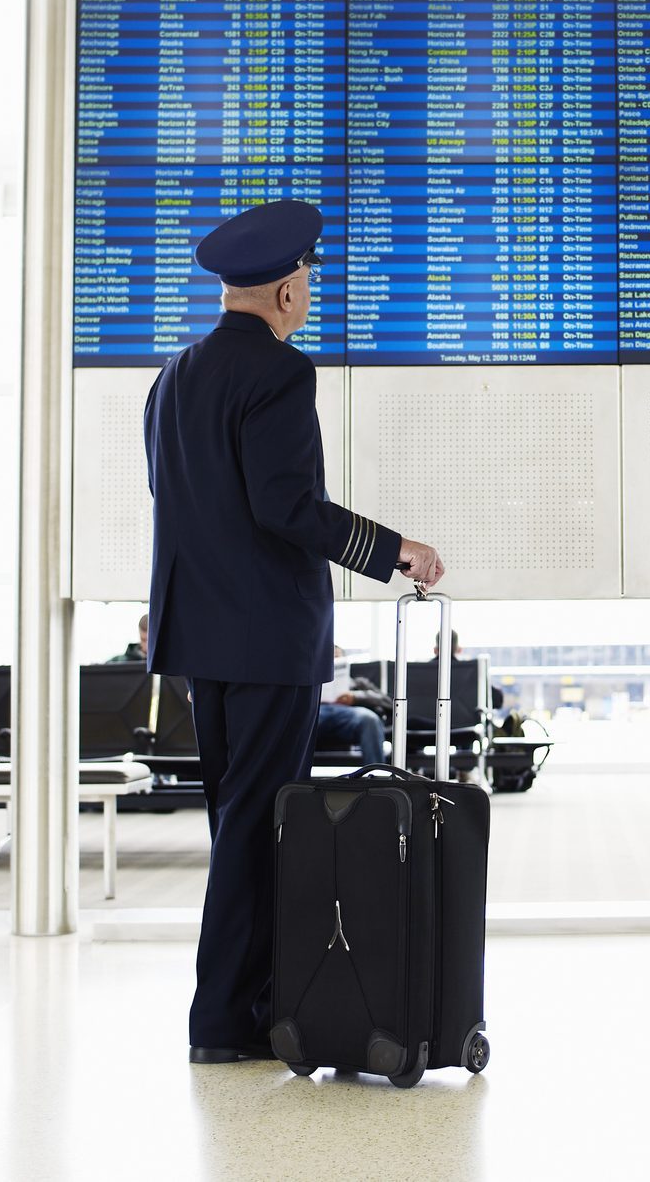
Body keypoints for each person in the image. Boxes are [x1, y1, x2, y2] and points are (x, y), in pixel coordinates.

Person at [143, 198, 445, 1065]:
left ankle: (246, 1005)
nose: (308, 291)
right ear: (283, 291)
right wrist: (395, 551)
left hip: (200, 640)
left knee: (234, 819)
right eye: (306, 277)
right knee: (258, 822)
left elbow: (179, 504)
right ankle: (225, 1019)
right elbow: (286, 508)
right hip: (266, 638)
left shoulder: (173, 377)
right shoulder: (279, 373)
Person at [316, 645, 387, 766]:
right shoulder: (312, 682)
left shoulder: (358, 682)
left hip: (349, 715)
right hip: (318, 712)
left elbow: (386, 701)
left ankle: (377, 776)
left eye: (337, 657)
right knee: (301, 720)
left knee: (370, 719)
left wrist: (355, 697)